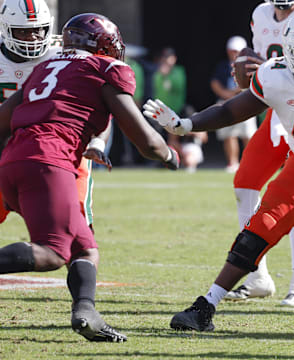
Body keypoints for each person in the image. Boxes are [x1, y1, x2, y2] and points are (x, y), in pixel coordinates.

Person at [144, 10, 294, 332]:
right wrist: (186, 125)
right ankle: (206, 306)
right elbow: (232, 110)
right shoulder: (273, 75)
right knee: (253, 236)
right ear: (287, 51)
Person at [0, 11, 179, 342]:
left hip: (13, 160)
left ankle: (86, 312)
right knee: (54, 252)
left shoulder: (44, 68)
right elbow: (145, 140)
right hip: (48, 161)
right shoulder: (105, 69)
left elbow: (4, 118)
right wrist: (168, 154)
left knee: (85, 247)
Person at [225, 0, 294, 307]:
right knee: (245, 182)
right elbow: (265, 67)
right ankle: (257, 275)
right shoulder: (260, 13)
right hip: (277, 112)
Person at [0, 0, 111, 229]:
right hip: (5, 145)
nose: (33, 38)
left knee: (76, 222)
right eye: (23, 31)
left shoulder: (64, 51)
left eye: (38, 30)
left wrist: (98, 141)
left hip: (61, 145)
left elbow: (99, 101)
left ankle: (80, 258)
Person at [210, 36, 257, 173]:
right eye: (231, 50)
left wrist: (237, 91)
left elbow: (252, 84)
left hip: (246, 102)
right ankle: (232, 163)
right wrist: (226, 94)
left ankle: (251, 163)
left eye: (237, 50)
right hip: (227, 102)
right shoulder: (222, 66)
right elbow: (215, 82)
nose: (234, 53)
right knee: (229, 135)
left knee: (248, 135)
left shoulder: (251, 64)